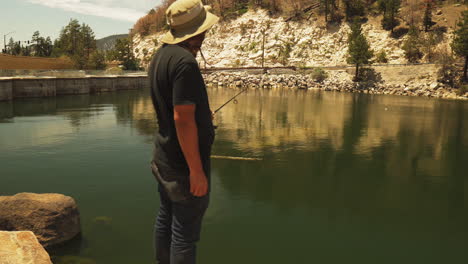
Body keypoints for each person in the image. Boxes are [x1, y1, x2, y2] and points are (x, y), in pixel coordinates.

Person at [147, 0, 219, 263]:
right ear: (197, 32)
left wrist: (201, 116)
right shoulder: (185, 63)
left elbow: (175, 110)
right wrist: (196, 171)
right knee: (185, 235)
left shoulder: (161, 56)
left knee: (165, 219)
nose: (206, 34)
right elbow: (183, 120)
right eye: (204, 29)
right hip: (183, 167)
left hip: (163, 157)